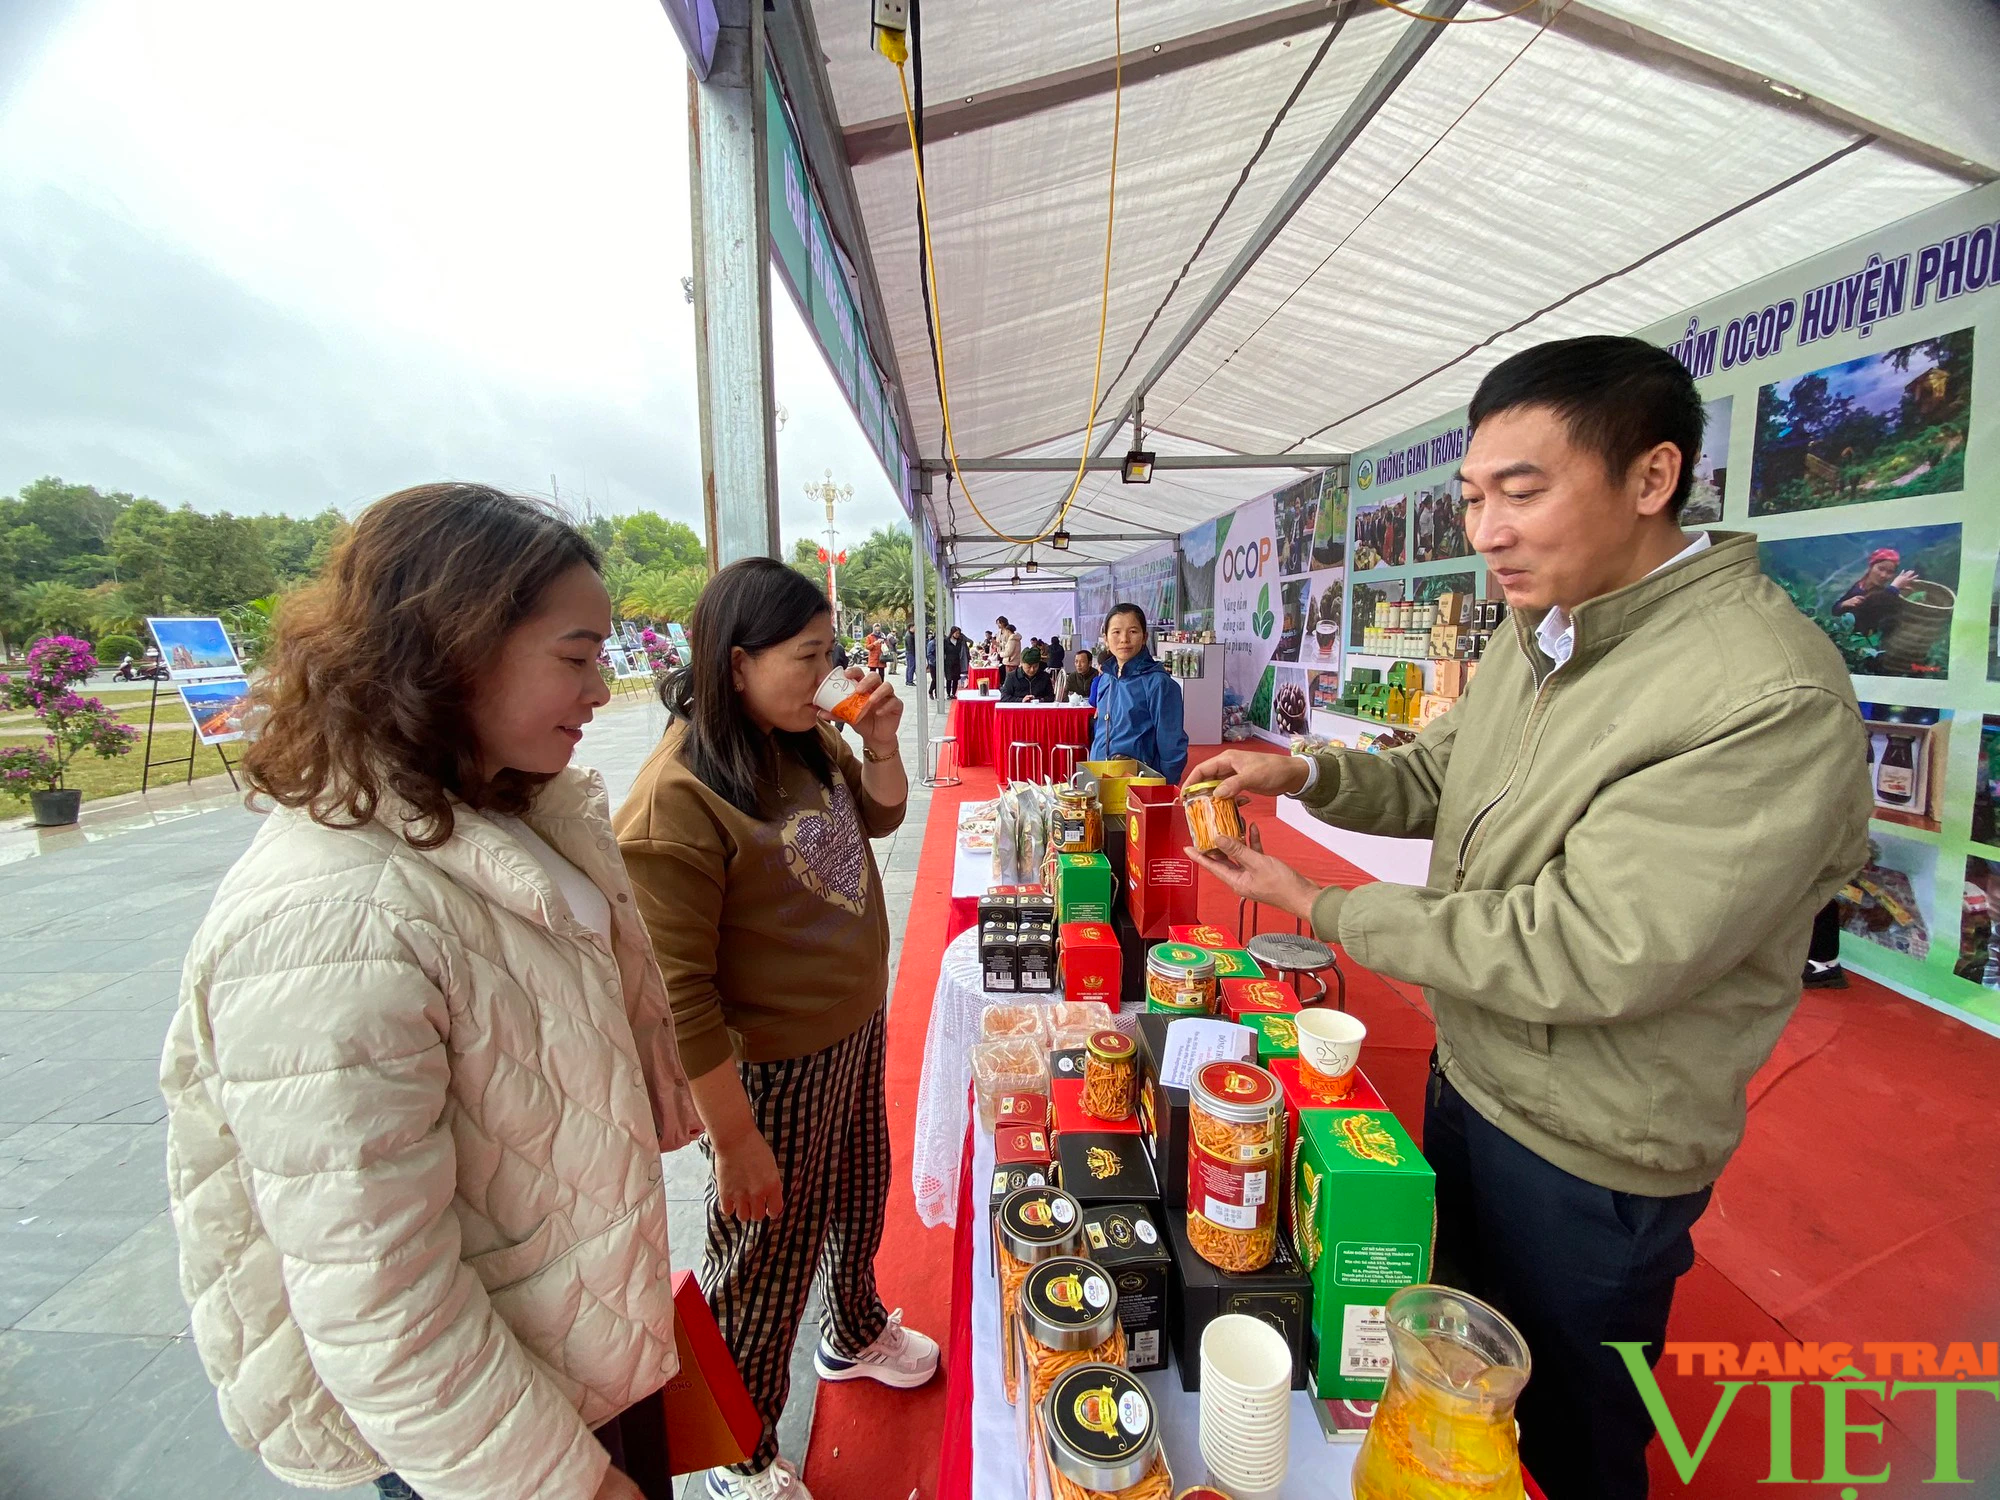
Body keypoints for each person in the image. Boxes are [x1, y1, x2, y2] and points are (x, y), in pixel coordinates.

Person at [1181, 336, 1869, 1500]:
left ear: (1649, 480)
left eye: (1522, 491)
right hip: (1475, 1073)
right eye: (1468, 499)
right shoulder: (1541, 631)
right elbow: (1437, 772)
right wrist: (1296, 775)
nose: (1485, 531)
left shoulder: (1762, 696)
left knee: (1563, 1433)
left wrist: (1322, 907)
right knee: (1447, 1390)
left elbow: (1585, 947)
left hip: (1591, 1149)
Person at [161, 484, 699, 1500]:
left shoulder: (501, 809)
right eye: (576, 658)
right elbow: (378, 1296)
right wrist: (557, 1483)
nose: (600, 690)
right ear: (452, 648)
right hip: (490, 1440)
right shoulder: (328, 919)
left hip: (577, 1357)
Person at [615, 560, 937, 1500]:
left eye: (830, 650)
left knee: (857, 1191)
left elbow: (880, 817)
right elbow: (684, 1001)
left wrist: (879, 741)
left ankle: (853, 1329)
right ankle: (736, 1450)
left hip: (850, 1032)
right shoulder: (676, 798)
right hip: (772, 1072)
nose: (830, 672)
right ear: (737, 661)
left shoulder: (800, 737)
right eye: (810, 656)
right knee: (761, 1262)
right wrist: (735, 1139)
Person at [1088, 603, 1188, 782]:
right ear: (1105, 638)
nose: (1124, 639)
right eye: (1116, 632)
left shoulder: (1159, 684)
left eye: (1133, 631)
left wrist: (1163, 787)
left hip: (1139, 780)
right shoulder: (1106, 679)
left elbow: (1172, 745)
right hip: (1100, 776)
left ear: (1144, 637)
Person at [1834, 547, 1916, 639]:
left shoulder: (1885, 597)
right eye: (1880, 569)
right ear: (1871, 566)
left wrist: (1894, 588)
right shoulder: (1857, 586)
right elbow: (1835, 611)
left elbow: (1873, 606)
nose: (1883, 575)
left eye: (1889, 572)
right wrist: (1844, 604)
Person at [943, 626, 970, 698]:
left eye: (959, 633)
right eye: (956, 633)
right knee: (949, 679)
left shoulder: (960, 641)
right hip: (948, 662)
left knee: (955, 679)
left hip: (957, 661)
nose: (958, 635)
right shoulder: (946, 641)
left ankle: (953, 693)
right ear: (952, 633)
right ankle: (948, 694)